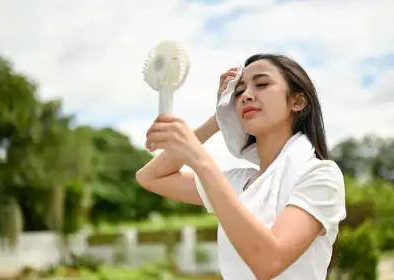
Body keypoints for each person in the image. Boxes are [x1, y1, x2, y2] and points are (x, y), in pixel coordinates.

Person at [136, 53, 346, 280]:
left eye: (262, 84)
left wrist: (199, 158)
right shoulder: (240, 183)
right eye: (238, 92)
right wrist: (219, 117)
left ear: (297, 101)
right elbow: (150, 177)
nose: (246, 96)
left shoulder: (320, 176)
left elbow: (269, 260)